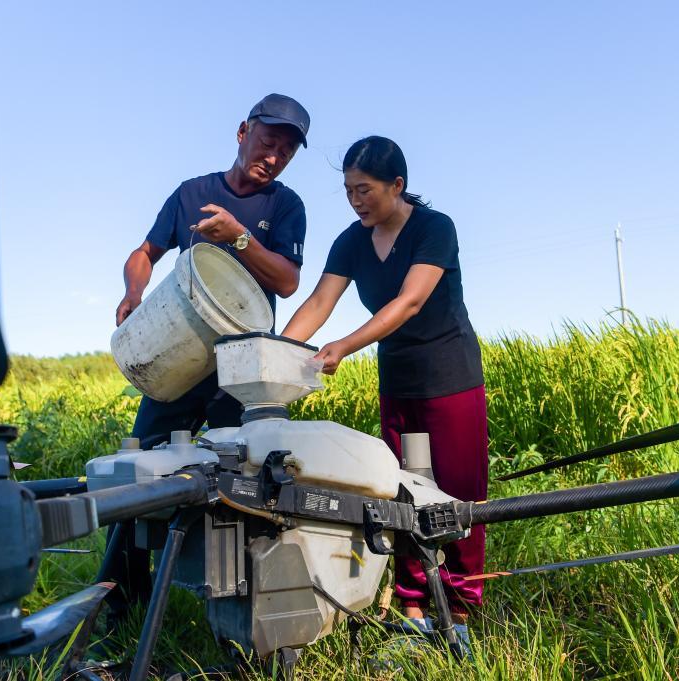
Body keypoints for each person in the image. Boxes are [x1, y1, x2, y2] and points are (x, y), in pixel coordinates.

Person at [103, 94, 311, 624]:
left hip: (241, 374)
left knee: (247, 486)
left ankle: (240, 614)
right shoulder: (192, 193)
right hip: (178, 358)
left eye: (286, 152)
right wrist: (133, 292)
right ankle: (121, 608)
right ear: (243, 132)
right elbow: (145, 252)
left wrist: (239, 237)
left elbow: (287, 281)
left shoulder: (285, 206)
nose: (274, 157)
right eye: (268, 142)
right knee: (137, 475)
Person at [281, 136, 487, 642]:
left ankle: (461, 609)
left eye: (365, 190)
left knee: (458, 492)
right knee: (401, 492)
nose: (356, 200)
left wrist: (344, 346)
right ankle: (413, 608)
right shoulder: (352, 241)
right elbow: (319, 302)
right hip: (398, 380)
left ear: (397, 185)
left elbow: (409, 302)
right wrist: (275, 353)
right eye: (349, 191)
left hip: (450, 376)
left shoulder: (435, 228)